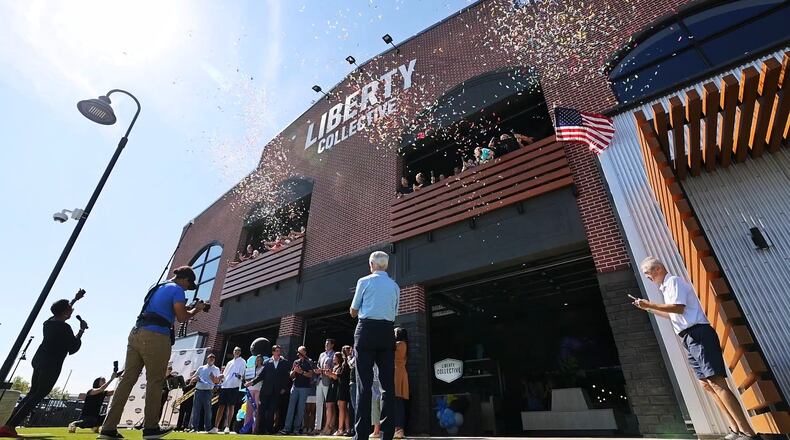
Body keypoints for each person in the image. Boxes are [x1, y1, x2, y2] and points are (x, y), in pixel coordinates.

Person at [634, 257, 758, 440]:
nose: (648, 278)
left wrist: (649, 304)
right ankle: (735, 428)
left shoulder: (674, 281)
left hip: (699, 334)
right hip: (688, 337)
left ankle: (748, 432)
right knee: (706, 385)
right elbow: (673, 315)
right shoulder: (666, 289)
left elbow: (678, 308)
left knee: (715, 381)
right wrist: (648, 309)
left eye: (648, 274)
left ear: (658, 269)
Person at [98, 266, 205, 440]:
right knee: (155, 381)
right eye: (188, 285)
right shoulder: (177, 290)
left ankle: (107, 428)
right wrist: (197, 309)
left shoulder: (156, 286)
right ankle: (150, 428)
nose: (187, 289)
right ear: (185, 280)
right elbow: (182, 317)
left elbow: (160, 308)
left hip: (135, 333)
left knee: (126, 381)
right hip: (156, 335)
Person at [0, 292, 87, 438]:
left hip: (39, 359)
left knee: (32, 393)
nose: (72, 310)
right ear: (65, 312)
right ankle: (10, 426)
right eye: (70, 309)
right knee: (39, 394)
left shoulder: (49, 322)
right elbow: (73, 347)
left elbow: (61, 311)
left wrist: (74, 300)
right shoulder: (64, 328)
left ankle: (8, 425)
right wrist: (82, 330)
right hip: (51, 363)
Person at [350, 251, 400, 440]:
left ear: (371, 263)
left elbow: (354, 312)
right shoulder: (395, 286)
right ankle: (387, 435)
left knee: (364, 384)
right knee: (388, 385)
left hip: (366, 330)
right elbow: (394, 312)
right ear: (385, 265)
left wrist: (358, 308)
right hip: (387, 331)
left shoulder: (364, 281)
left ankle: (360, 435)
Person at [246, 345, 289, 434]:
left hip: (276, 391)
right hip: (265, 390)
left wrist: (284, 387)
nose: (278, 352)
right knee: (262, 410)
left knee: (271, 411)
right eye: (276, 351)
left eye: (279, 351)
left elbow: (285, 376)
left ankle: (269, 430)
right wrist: (251, 382)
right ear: (273, 352)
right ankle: (260, 430)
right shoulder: (266, 362)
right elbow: (260, 376)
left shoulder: (284, 362)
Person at [279, 346, 314, 435]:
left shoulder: (309, 361)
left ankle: (296, 429)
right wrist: (295, 371)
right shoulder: (296, 362)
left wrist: (301, 372)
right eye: (298, 353)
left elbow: (310, 375)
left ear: (305, 352)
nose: (298, 354)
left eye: (300, 353)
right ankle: (287, 428)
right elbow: (291, 375)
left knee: (300, 409)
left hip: (304, 388)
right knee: (291, 408)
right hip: (295, 387)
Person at [214, 346, 246, 434]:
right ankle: (216, 427)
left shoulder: (243, 362)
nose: (237, 352)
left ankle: (227, 427)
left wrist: (240, 376)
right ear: (233, 352)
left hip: (234, 386)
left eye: (239, 351)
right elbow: (224, 375)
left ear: (240, 352)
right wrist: (219, 378)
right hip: (225, 386)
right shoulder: (229, 362)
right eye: (236, 350)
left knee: (231, 406)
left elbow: (242, 375)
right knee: (221, 406)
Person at [311, 338, 336, 435]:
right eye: (325, 344)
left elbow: (334, 367)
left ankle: (331, 426)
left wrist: (326, 370)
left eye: (328, 344)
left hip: (328, 381)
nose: (326, 345)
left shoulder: (334, 354)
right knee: (319, 404)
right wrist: (318, 370)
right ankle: (317, 427)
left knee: (329, 405)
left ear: (332, 345)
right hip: (319, 381)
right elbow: (318, 365)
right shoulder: (322, 354)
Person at [191, 353, 221, 433]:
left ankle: (208, 428)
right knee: (196, 409)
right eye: (210, 357)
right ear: (207, 359)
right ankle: (194, 428)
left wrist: (214, 379)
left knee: (208, 410)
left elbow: (217, 382)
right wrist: (195, 378)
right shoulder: (201, 368)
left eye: (213, 358)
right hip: (198, 390)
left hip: (208, 391)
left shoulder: (216, 369)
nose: (212, 359)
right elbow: (193, 377)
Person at [329, 352, 351, 436]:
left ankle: (340, 429)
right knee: (344, 409)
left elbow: (340, 375)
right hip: (341, 387)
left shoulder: (345, 365)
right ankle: (347, 428)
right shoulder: (343, 365)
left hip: (343, 388)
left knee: (342, 408)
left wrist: (331, 373)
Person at [393, 328, 409, 439]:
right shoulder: (404, 344)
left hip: (397, 373)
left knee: (397, 401)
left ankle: (399, 429)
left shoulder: (399, 344)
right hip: (400, 372)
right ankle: (398, 428)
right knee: (398, 401)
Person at [243, 355, 265, 433]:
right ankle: (245, 429)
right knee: (248, 410)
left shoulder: (263, 368)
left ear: (262, 361)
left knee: (256, 410)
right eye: (257, 360)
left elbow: (260, 378)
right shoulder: (251, 369)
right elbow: (246, 378)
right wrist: (246, 380)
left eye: (260, 360)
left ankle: (254, 429)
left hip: (258, 390)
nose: (258, 361)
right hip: (250, 390)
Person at [321, 353, 341, 435]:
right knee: (329, 407)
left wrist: (330, 373)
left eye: (334, 357)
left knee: (331, 407)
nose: (333, 358)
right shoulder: (334, 367)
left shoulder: (340, 367)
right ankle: (330, 427)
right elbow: (332, 377)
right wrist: (328, 373)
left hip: (336, 387)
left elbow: (336, 377)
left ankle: (328, 427)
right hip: (331, 386)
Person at [344, 345, 356, 437]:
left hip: (355, 382)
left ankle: (356, 429)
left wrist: (348, 357)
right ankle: (352, 428)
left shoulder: (355, 356)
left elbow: (352, 364)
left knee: (355, 406)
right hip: (352, 383)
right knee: (352, 407)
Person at [370, 365, 382, 439]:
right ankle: (376, 431)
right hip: (374, 382)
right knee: (375, 407)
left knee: (381, 407)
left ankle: (379, 431)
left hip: (381, 382)